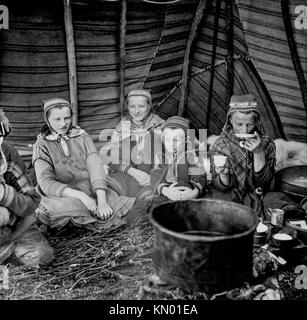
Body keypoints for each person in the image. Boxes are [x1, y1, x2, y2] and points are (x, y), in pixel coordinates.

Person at [32, 98, 136, 231]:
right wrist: (82, 197)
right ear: (47, 120)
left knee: (111, 201)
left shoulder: (81, 136)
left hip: (89, 187)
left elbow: (96, 168)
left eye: (67, 118)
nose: (63, 124)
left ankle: (89, 213)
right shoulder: (41, 145)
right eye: (57, 119)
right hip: (64, 194)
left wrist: (101, 200)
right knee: (54, 209)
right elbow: (46, 183)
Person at [0, 122, 54, 266]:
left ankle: (7, 254)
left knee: (42, 255)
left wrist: (4, 194)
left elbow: (31, 202)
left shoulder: (7, 153)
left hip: (13, 228)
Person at [210, 94, 276, 210]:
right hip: (229, 195)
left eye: (249, 124)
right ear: (230, 120)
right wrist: (224, 174)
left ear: (257, 122)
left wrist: (258, 153)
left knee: (277, 201)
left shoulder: (267, 144)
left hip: (258, 195)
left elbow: (265, 183)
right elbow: (219, 186)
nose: (244, 130)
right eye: (239, 124)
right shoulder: (221, 144)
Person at [107, 89, 165, 197]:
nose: (136, 111)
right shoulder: (123, 126)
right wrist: (133, 172)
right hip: (130, 172)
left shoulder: (160, 125)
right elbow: (112, 155)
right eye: (132, 107)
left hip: (152, 175)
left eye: (141, 106)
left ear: (149, 106)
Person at [149, 116, 207, 204]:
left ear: (186, 140)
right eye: (168, 139)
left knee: (181, 188)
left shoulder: (190, 155)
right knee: (144, 199)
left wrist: (194, 193)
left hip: (185, 193)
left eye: (176, 140)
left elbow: (199, 177)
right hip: (165, 192)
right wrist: (166, 191)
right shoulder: (160, 155)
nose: (172, 144)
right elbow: (155, 176)